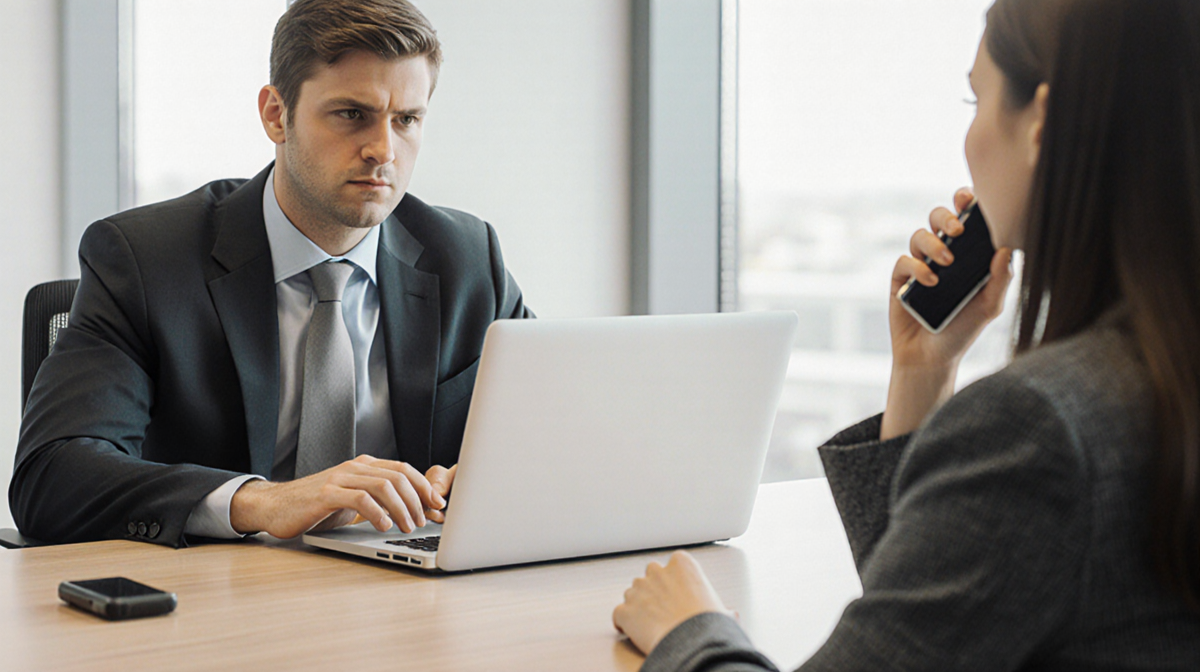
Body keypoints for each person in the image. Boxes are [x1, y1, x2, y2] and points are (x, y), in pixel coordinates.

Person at [613, 0, 1200, 668]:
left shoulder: (1039, 429)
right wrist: (923, 373)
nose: (969, 139)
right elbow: (931, 627)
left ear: (1041, 123)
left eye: (975, 99)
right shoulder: (1157, 382)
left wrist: (692, 628)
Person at [9, 0, 532, 548]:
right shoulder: (145, 261)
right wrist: (262, 502)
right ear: (276, 115)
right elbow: (52, 476)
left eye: (407, 120)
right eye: (351, 114)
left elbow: (558, 433)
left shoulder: (468, 259)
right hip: (221, 585)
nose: (383, 150)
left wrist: (487, 479)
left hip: (410, 581)